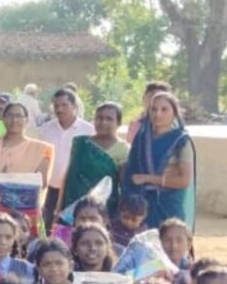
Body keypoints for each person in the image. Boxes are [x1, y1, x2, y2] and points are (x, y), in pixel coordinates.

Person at [123, 91, 195, 229]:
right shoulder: (141, 139)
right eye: (154, 109)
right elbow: (130, 173)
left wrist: (148, 179)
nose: (158, 114)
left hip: (169, 205)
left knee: (169, 239)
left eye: (164, 109)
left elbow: (184, 181)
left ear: (174, 112)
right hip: (140, 207)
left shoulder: (181, 141)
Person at [58, 102, 130, 220]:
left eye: (109, 119)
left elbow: (124, 185)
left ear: (118, 123)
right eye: (99, 118)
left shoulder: (123, 149)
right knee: (67, 231)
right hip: (72, 208)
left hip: (104, 209)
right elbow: (69, 178)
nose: (103, 122)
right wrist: (58, 209)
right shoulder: (81, 144)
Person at [38, 89, 94, 229]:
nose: (59, 109)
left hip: (75, 190)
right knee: (47, 227)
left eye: (64, 105)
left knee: (72, 228)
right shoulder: (45, 130)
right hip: (49, 189)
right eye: (56, 106)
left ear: (74, 106)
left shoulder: (88, 131)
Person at [0, 102, 53, 203]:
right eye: (9, 116)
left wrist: (9, 184)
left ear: (27, 120)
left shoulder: (41, 149)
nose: (14, 120)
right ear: (3, 119)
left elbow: (42, 182)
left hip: (24, 205)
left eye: (18, 116)